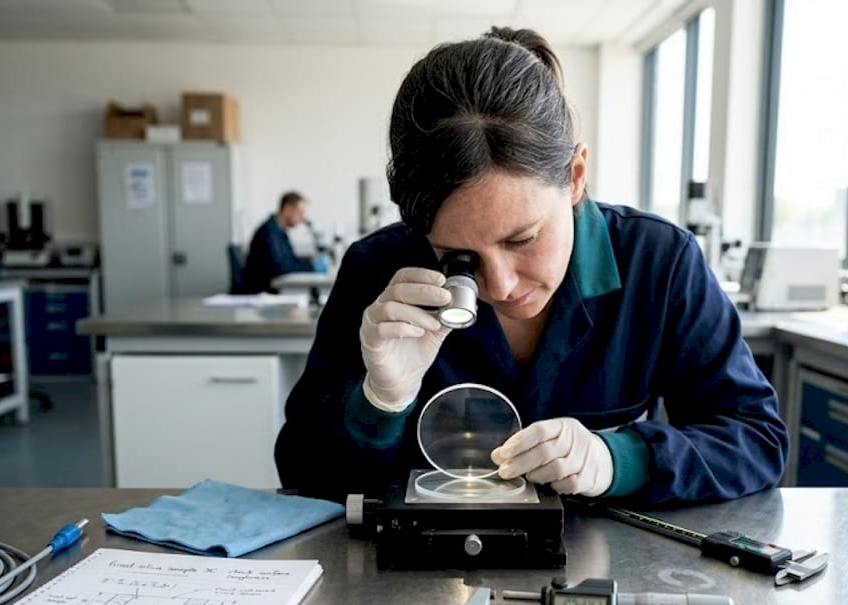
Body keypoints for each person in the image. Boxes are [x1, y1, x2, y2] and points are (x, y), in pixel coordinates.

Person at [275, 27, 788, 505]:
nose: (499, 285)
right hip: (420, 578)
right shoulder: (377, 269)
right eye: (460, 259)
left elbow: (756, 438)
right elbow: (301, 476)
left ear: (575, 176)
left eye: (522, 238)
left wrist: (620, 458)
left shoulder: (659, 262)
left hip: (605, 572)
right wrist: (381, 401)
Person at [238, 191, 327, 294]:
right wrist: (312, 267)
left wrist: (310, 263)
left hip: (272, 289)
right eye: (300, 213)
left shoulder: (280, 231)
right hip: (261, 293)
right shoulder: (269, 232)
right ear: (288, 209)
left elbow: (290, 261)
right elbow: (281, 267)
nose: (302, 218)